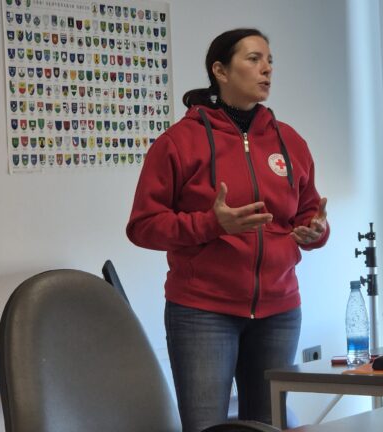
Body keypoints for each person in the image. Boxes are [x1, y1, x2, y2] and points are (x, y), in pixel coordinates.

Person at [126, 28, 329, 431]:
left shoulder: (290, 141)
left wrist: (316, 232)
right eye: (254, 59)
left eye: (270, 60)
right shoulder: (178, 142)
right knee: (207, 427)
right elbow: (143, 226)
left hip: (279, 310)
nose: (267, 69)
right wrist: (211, 224)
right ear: (220, 70)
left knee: (268, 427)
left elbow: (309, 214)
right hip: (203, 311)